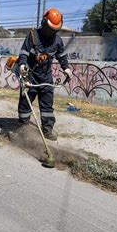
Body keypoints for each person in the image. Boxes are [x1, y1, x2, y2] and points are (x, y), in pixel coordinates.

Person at [17, 8, 72, 141]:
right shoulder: (33, 36)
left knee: (47, 105)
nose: (52, 31)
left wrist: (67, 68)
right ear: (43, 23)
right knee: (25, 103)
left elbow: (62, 57)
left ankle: (47, 130)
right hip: (30, 76)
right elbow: (24, 52)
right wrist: (22, 65)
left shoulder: (57, 41)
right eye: (50, 28)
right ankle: (23, 128)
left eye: (55, 29)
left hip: (46, 77)